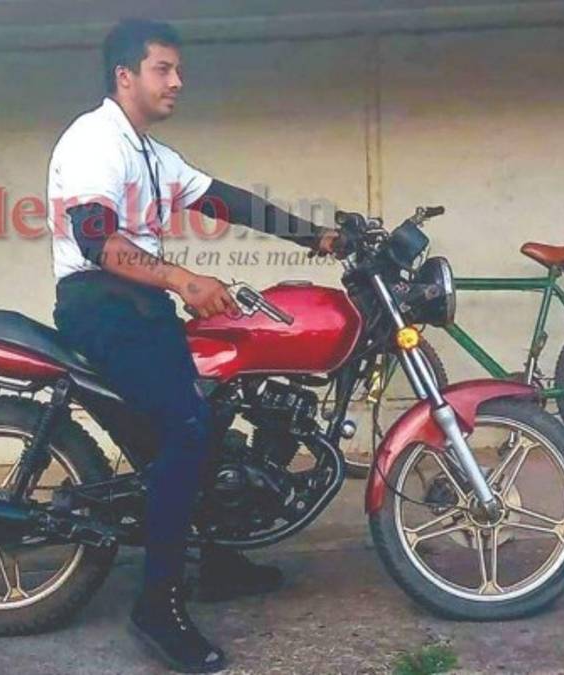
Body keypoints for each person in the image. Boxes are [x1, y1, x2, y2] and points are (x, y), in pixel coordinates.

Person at [48, 18, 341, 673]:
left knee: (212, 416)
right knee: (184, 430)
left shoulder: (151, 153)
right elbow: (97, 240)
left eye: (178, 70)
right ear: (125, 75)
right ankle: (157, 608)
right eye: (163, 69)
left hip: (140, 306)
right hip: (102, 305)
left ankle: (216, 559)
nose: (177, 81)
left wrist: (314, 236)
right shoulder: (95, 140)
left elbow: (221, 199)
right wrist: (185, 279)